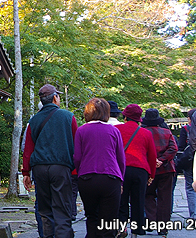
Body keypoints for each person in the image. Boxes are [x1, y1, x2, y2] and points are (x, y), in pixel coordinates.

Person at [22, 84, 78, 238]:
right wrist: (76, 169)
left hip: (39, 168)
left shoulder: (34, 120)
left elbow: (28, 148)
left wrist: (26, 172)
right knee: (62, 208)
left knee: (45, 209)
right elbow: (76, 145)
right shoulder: (68, 117)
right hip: (61, 168)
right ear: (55, 98)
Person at [74, 98, 125, 238]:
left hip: (87, 178)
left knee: (91, 217)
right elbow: (120, 158)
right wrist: (121, 180)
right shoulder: (113, 131)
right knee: (108, 222)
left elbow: (77, 157)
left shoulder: (81, 130)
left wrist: (81, 172)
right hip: (110, 177)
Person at [115, 104, 157, 237]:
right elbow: (152, 155)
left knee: (121, 201)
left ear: (125, 116)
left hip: (121, 169)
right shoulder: (146, 133)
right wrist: (152, 174)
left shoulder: (116, 130)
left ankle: (121, 227)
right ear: (139, 118)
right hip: (140, 170)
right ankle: (136, 231)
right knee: (138, 201)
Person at [141, 108, 178, 237]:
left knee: (147, 195)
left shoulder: (142, 133)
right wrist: (161, 160)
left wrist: (152, 161)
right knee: (165, 198)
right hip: (166, 169)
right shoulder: (167, 132)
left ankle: (152, 221)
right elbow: (174, 148)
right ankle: (163, 227)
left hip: (148, 170)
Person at [177, 109, 196, 219]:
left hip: (189, 161)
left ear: (189, 118)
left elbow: (181, 147)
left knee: (190, 187)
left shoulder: (186, 129)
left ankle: (195, 216)